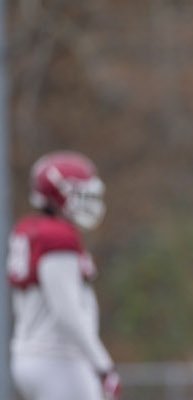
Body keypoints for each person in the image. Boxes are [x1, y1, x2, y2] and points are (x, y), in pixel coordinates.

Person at [6, 151, 121, 400]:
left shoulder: (29, 230)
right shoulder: (57, 238)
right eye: (82, 194)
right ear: (60, 194)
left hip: (28, 354)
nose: (89, 201)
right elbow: (66, 310)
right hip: (58, 358)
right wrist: (102, 364)